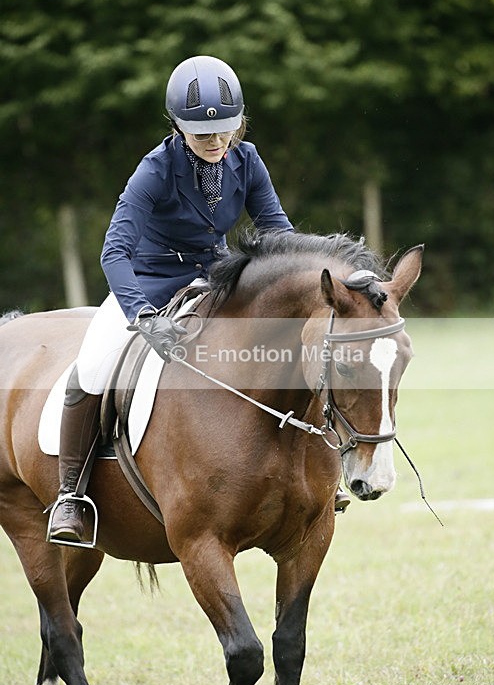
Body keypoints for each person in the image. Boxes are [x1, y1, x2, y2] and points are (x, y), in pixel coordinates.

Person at [48, 55, 349, 546]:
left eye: (224, 131)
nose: (214, 142)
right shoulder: (155, 170)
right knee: (94, 367)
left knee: (292, 349)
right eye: (200, 133)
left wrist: (314, 278)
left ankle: (316, 468)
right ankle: (71, 496)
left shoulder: (246, 160)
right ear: (177, 127)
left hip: (217, 283)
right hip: (147, 286)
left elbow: (278, 234)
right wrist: (141, 316)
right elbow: (114, 251)